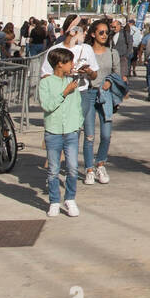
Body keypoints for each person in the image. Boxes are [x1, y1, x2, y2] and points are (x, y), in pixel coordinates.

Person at [38, 48, 83, 217]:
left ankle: (70, 198)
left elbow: (78, 105)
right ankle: (54, 201)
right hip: (53, 131)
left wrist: (78, 124)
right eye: (69, 62)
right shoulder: (46, 83)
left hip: (71, 131)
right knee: (53, 169)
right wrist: (64, 93)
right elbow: (47, 105)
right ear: (60, 64)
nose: (72, 65)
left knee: (72, 168)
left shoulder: (72, 82)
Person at [82, 18, 121, 186]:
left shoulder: (112, 53)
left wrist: (110, 82)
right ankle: (89, 169)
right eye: (101, 32)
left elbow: (117, 74)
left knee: (106, 134)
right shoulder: (86, 51)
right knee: (89, 135)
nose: (105, 35)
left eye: (107, 32)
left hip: (106, 95)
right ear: (93, 34)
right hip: (89, 93)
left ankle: (100, 164)